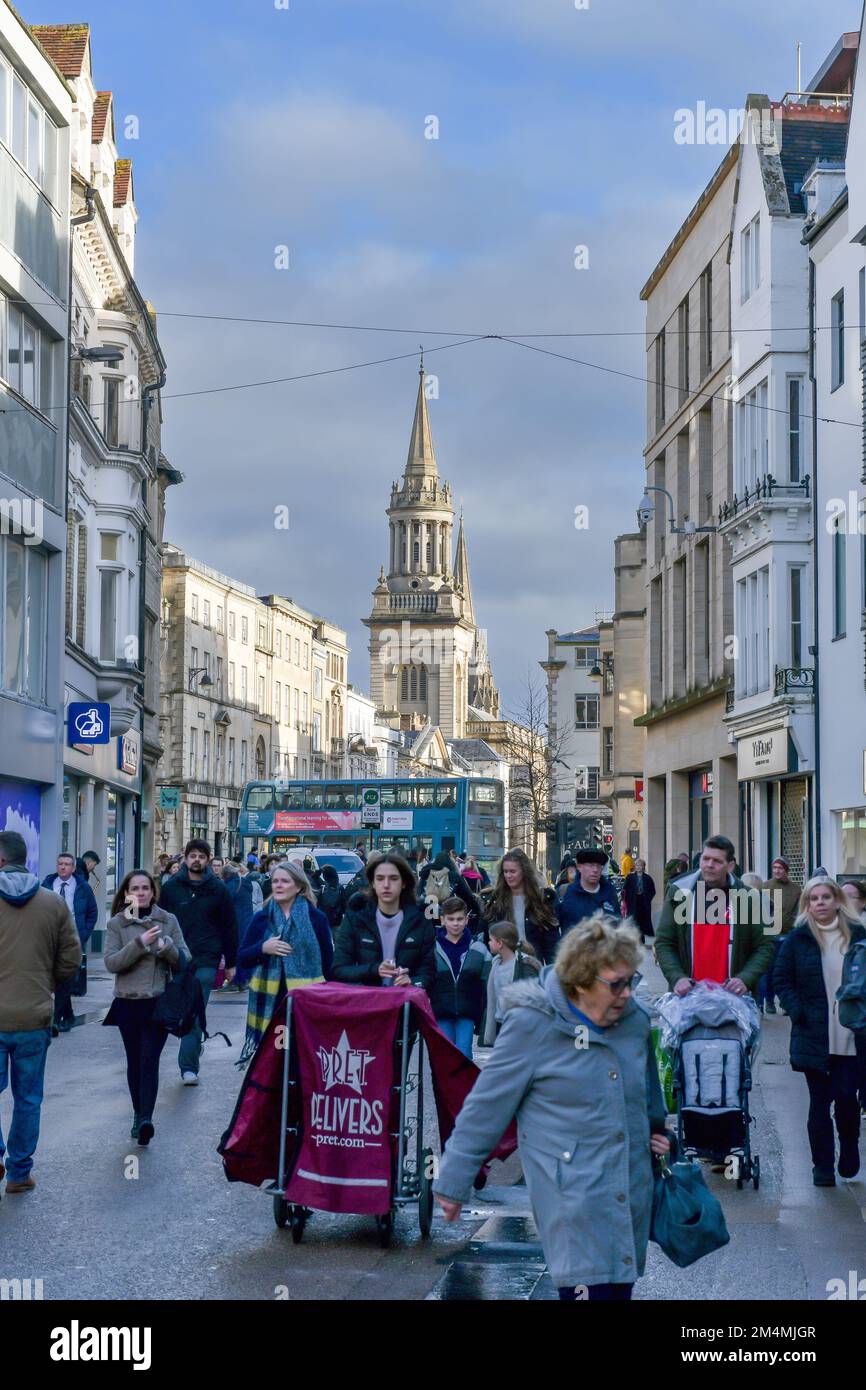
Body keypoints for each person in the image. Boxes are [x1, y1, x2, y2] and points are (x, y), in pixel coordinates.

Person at [433, 912, 671, 1299]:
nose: (627, 993)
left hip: (628, 1188)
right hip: (571, 1195)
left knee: (618, 1290)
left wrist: (659, 1136)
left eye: (631, 981)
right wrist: (455, 1181)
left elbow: (648, 1096)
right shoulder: (534, 1024)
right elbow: (486, 1106)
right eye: (616, 984)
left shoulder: (634, 1021)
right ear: (580, 980)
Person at [0, 830, 82, 1193]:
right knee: (28, 1098)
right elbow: (72, 958)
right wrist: (46, 983)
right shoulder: (53, 903)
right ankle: (19, 1172)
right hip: (34, 1016)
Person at [774, 877, 866, 1186]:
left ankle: (850, 1149)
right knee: (818, 1102)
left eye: (827, 897)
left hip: (851, 1034)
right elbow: (782, 979)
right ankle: (822, 1166)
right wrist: (798, 1010)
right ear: (807, 905)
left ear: (838, 900)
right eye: (814, 899)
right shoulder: (797, 939)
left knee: (846, 1098)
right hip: (813, 1032)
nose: (821, 902)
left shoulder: (858, 936)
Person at [103, 870, 188, 1145]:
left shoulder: (168, 920)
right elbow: (112, 963)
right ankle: (138, 1114)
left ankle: (146, 1119)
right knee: (134, 1060)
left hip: (158, 1001)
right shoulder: (118, 924)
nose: (140, 893)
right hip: (128, 1001)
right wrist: (140, 944)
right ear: (127, 893)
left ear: (153, 892)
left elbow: (184, 960)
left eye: (145, 888)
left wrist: (166, 948)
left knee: (149, 1059)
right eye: (134, 888)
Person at [157, 839, 238, 1086]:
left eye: (201, 856)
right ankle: (193, 1041)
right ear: (185, 858)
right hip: (174, 959)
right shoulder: (171, 888)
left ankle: (188, 1066)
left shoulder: (218, 889)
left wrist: (231, 963)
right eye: (192, 855)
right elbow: (159, 921)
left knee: (193, 1009)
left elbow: (229, 927)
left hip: (205, 959)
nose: (196, 860)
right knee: (170, 1011)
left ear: (209, 859)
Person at [236, 862, 333, 1064]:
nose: (278, 885)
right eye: (275, 881)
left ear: (298, 886)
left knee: (302, 1062)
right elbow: (243, 957)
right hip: (271, 1003)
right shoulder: (261, 918)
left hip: (307, 1002)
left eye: (285, 881)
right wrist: (263, 948)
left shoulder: (316, 918)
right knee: (275, 1062)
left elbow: (328, 962)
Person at [654, 835, 774, 998]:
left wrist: (745, 979)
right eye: (706, 858)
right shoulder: (680, 892)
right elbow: (664, 942)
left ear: (730, 866)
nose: (709, 865)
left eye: (717, 861)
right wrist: (677, 977)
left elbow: (764, 946)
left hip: (733, 1000)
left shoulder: (747, 897)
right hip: (688, 998)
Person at [332, 852, 436, 991]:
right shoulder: (356, 917)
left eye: (393, 878)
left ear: (404, 883)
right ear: (373, 883)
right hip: (366, 1003)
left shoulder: (420, 919)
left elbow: (429, 971)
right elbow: (339, 969)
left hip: (405, 1003)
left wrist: (412, 981)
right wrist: (374, 969)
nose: (386, 885)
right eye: (380, 879)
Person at [41, 853, 98, 1032]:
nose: (63, 867)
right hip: (51, 937)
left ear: (73, 868)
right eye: (60, 864)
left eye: (67, 864)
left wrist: (84, 933)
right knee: (55, 978)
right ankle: (69, 1014)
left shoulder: (82, 887)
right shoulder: (47, 885)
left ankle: (56, 1019)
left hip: (72, 938)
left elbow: (92, 912)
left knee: (66, 977)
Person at [429, 898, 491, 1059]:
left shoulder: (479, 949)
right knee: (444, 1055)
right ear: (442, 920)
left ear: (466, 920)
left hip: (467, 1010)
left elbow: (487, 982)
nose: (455, 923)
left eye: (459, 919)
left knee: (464, 1054)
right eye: (450, 919)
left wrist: (483, 1012)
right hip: (441, 1009)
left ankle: (464, 1085)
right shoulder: (432, 949)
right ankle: (443, 1085)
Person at [481, 849, 560, 966]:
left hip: (532, 965)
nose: (508, 876)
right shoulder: (494, 901)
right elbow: (484, 935)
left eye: (512, 871)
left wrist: (551, 973)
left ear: (524, 872)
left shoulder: (542, 900)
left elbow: (551, 944)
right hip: (501, 965)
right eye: (505, 872)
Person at [482, 922, 541, 1045]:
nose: (488, 943)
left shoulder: (524, 965)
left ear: (500, 943)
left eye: (491, 940)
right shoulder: (496, 964)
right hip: (501, 1022)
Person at [558, 849, 620, 936]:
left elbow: (617, 923)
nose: (595, 870)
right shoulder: (567, 892)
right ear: (579, 867)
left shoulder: (609, 892)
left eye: (598, 866)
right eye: (590, 865)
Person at [220, 863, 257, 989]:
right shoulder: (246, 883)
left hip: (235, 923)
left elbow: (225, 905)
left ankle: (236, 980)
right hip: (248, 921)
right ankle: (245, 979)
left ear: (225, 875)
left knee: (235, 951)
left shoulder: (229, 886)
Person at [622, 858, 656, 941]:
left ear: (643, 867)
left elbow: (653, 891)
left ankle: (641, 938)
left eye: (640, 865)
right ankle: (633, 937)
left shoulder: (648, 878)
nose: (638, 867)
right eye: (637, 865)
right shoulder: (630, 877)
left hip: (643, 902)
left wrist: (648, 899)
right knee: (634, 919)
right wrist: (626, 900)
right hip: (632, 902)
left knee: (642, 920)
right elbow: (624, 889)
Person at [317, 864, 344, 932]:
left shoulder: (323, 888)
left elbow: (317, 904)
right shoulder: (340, 888)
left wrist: (320, 870)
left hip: (324, 919)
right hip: (337, 920)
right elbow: (344, 905)